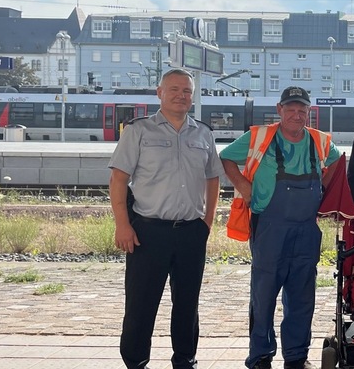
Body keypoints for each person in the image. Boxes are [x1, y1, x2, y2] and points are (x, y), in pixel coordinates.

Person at [108, 68, 224, 369]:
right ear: (159, 92)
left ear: (193, 95)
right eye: (173, 89)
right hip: (148, 233)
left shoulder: (203, 134)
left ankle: (185, 359)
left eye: (186, 91)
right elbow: (119, 180)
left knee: (187, 305)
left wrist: (206, 223)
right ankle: (135, 361)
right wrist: (122, 224)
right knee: (140, 305)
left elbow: (213, 180)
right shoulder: (138, 130)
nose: (180, 95)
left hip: (190, 233)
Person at [220, 86, 341, 369]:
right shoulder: (260, 137)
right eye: (291, 109)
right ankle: (261, 355)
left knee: (301, 297)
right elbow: (226, 157)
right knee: (263, 296)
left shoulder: (320, 141)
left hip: (306, 231)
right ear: (279, 109)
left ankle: (296, 357)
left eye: (302, 111)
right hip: (269, 228)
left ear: (309, 113)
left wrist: (324, 187)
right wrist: (243, 186)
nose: (297, 116)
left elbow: (337, 162)